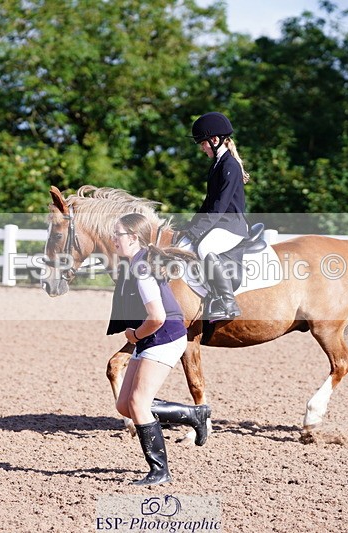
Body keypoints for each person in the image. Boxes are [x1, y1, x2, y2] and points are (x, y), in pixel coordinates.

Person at [107, 212, 211, 486]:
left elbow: (157, 317)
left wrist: (134, 335)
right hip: (151, 337)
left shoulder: (142, 268)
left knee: (139, 404)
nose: (113, 239)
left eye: (117, 234)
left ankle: (159, 471)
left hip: (163, 336)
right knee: (124, 405)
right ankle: (194, 414)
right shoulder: (137, 263)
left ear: (133, 238)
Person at [179, 111, 250, 321]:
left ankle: (228, 302)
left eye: (203, 143)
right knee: (183, 246)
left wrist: (197, 232)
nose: (202, 148)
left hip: (232, 226)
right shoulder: (217, 164)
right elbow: (208, 203)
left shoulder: (229, 165)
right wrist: (190, 227)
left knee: (204, 248)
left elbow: (219, 206)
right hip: (220, 224)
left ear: (215, 140)